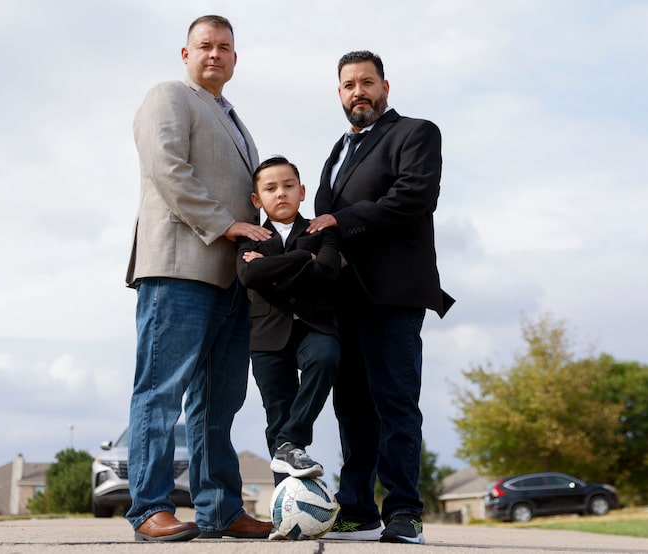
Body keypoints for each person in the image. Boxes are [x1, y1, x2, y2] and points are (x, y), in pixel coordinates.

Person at [124, 15, 274, 542]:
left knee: (218, 402)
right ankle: (148, 509)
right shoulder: (168, 96)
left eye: (225, 47)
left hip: (232, 280)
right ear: (185, 54)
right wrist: (225, 224)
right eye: (204, 46)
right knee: (161, 392)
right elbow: (168, 169)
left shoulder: (235, 119)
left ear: (236, 58)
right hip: (179, 268)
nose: (215, 54)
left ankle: (220, 510)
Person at [307, 50, 455, 545]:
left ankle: (404, 512)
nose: (358, 92)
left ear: (385, 87)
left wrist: (342, 221)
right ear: (339, 94)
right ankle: (357, 510)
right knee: (351, 409)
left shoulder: (415, 132)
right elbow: (321, 220)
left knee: (395, 403)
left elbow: (415, 196)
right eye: (348, 85)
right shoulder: (336, 151)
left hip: (391, 295)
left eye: (366, 82)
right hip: (343, 299)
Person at [236, 156, 341, 487]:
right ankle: (289, 499)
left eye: (288, 186)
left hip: (315, 327)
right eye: (270, 188)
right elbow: (249, 274)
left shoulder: (320, 231)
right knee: (277, 411)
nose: (280, 193)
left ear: (302, 191)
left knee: (326, 358)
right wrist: (302, 260)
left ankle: (291, 441)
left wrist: (274, 265)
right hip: (266, 335)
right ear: (257, 199)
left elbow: (327, 271)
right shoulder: (250, 236)